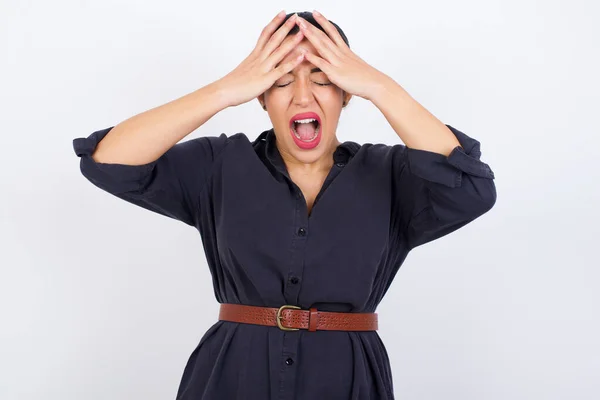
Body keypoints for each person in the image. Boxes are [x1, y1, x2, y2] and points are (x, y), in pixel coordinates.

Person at [72, 10, 496, 400]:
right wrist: (223, 91)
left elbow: (472, 189)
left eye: (323, 78)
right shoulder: (218, 165)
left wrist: (379, 86)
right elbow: (108, 161)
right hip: (231, 377)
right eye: (281, 80)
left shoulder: (393, 173)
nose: (302, 96)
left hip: (348, 380)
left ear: (346, 93)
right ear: (261, 95)